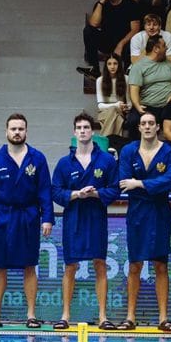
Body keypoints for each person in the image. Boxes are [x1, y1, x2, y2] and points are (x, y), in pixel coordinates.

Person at [0, 114, 53, 329]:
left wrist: (47, 218)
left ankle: (31, 315)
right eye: (13, 129)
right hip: (2, 217)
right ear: (6, 131)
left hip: (28, 217)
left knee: (30, 266)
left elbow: (45, 191)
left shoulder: (37, 158)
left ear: (26, 131)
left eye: (20, 129)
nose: (17, 132)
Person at [51, 113, 119, 329]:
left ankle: (103, 316)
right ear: (74, 132)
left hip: (96, 216)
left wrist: (96, 193)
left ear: (93, 131)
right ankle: (65, 315)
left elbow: (115, 188)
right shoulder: (64, 163)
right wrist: (76, 194)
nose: (82, 131)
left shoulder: (106, 160)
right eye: (79, 127)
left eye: (86, 127)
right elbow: (55, 191)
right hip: (74, 217)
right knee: (70, 265)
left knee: (100, 264)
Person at [117, 111, 171, 330]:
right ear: (139, 128)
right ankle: (130, 317)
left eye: (151, 123)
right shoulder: (128, 151)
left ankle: (163, 318)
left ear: (158, 127)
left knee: (161, 265)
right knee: (135, 265)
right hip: (137, 212)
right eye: (144, 123)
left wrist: (140, 183)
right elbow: (124, 182)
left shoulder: (169, 151)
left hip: (160, 211)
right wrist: (145, 185)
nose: (147, 127)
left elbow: (169, 181)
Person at [126, 35, 171, 134]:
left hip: (168, 105)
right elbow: (134, 90)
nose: (167, 48)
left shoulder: (168, 63)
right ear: (156, 49)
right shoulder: (138, 66)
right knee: (133, 121)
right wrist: (138, 106)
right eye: (164, 46)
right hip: (148, 106)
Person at [95, 55, 129, 138]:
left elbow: (129, 103)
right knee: (114, 113)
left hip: (120, 111)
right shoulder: (100, 80)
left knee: (115, 112)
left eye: (115, 63)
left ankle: (103, 139)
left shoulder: (126, 78)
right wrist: (115, 105)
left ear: (119, 65)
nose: (112, 66)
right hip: (104, 112)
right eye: (109, 64)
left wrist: (126, 107)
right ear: (106, 66)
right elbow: (100, 106)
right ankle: (114, 142)